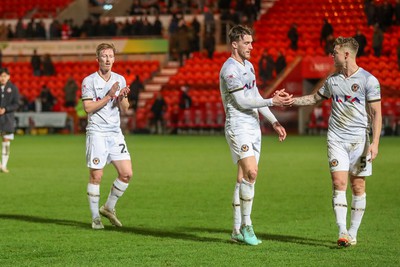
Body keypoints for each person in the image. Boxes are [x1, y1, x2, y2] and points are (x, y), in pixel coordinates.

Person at [287, 36, 382, 247]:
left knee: (358, 186)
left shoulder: (369, 80)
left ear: (346, 54)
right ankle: (342, 231)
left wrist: (374, 143)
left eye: (335, 52)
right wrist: (290, 101)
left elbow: (376, 114)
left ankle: (353, 232)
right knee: (339, 183)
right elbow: (313, 99)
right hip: (336, 139)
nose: (332, 55)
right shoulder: (332, 80)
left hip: (360, 141)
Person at [219, 25, 293, 246]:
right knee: (252, 173)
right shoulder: (229, 70)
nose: (251, 46)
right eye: (247, 42)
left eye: (252, 42)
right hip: (238, 127)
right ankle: (246, 225)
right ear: (235, 44)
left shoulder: (248, 66)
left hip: (254, 127)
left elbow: (255, 95)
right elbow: (242, 101)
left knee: (243, 178)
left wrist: (274, 120)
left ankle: (235, 230)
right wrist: (273, 101)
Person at [81, 43, 132, 230]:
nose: (108, 59)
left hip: (115, 133)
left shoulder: (120, 79)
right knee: (97, 176)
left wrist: (122, 97)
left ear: (114, 59)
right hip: (97, 132)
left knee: (126, 174)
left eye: (111, 56)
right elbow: (88, 108)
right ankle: (95, 218)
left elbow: (125, 109)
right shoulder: (89, 81)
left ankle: (108, 207)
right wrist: (110, 96)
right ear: (98, 59)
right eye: (104, 56)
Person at [0, 68, 20, 173]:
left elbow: (17, 104)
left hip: (7, 119)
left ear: (8, 77)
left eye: (4, 76)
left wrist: (5, 109)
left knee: (6, 142)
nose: (2, 78)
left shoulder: (13, 89)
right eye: (1, 76)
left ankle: (4, 165)